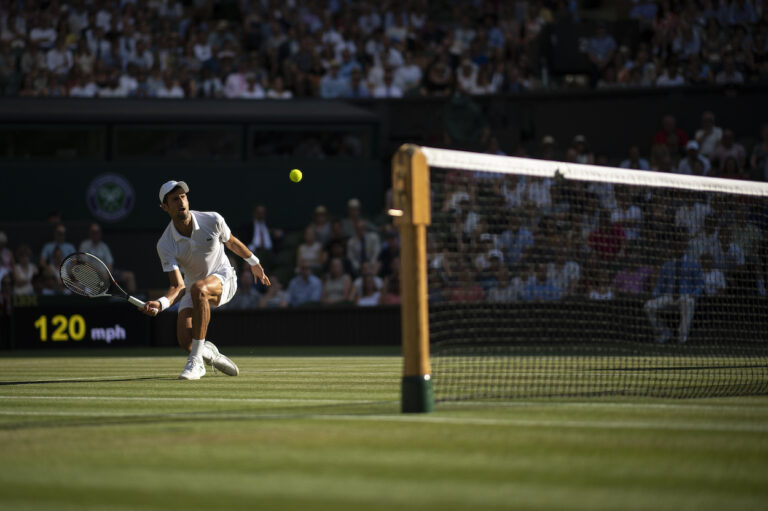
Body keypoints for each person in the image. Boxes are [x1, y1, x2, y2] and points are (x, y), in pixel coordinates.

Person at [142, 180, 271, 380]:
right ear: (165, 207)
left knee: (199, 290)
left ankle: (196, 364)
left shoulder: (212, 219)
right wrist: (160, 304)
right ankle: (211, 355)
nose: (181, 202)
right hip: (194, 286)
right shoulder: (165, 244)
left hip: (224, 278)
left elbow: (232, 243)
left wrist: (254, 262)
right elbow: (178, 286)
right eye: (175, 199)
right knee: (186, 340)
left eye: (183, 196)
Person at [644, 234, 704, 344]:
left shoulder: (694, 263)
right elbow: (659, 284)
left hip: (685, 296)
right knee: (648, 306)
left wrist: (694, 294)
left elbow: (700, 284)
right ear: (673, 247)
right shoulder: (667, 265)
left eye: (680, 245)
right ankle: (663, 332)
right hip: (668, 296)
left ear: (685, 247)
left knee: (689, 302)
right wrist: (655, 294)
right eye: (676, 245)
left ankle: (682, 335)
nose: (678, 248)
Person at [79, 222, 136, 293]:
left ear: (100, 233)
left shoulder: (104, 246)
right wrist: (100, 273)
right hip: (92, 275)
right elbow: (85, 263)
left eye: (97, 232)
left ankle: (133, 298)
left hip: (107, 273)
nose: (95, 234)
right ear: (90, 233)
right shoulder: (84, 245)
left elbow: (110, 263)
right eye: (93, 232)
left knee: (129, 276)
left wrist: (108, 274)